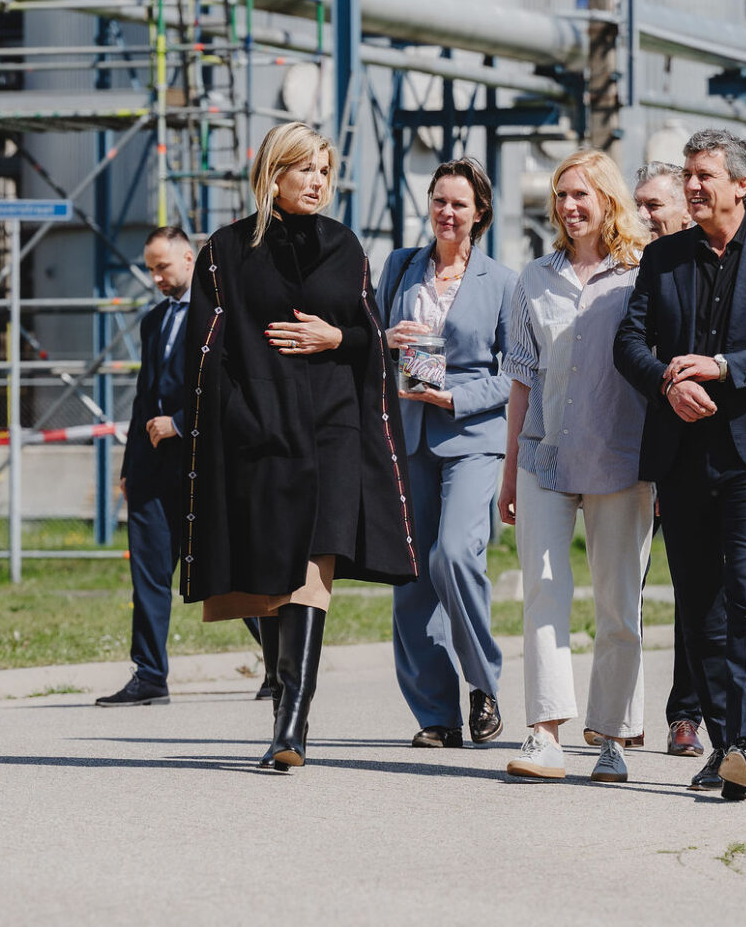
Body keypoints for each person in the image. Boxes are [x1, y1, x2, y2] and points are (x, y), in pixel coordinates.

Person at [179, 121, 417, 770]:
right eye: (305, 168)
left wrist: (337, 338)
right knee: (272, 576)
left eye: (325, 170)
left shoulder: (344, 245)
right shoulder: (225, 251)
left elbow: (371, 335)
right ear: (273, 172)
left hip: (334, 429)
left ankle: (292, 725)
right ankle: (283, 697)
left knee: (313, 569)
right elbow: (205, 349)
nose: (317, 181)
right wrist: (235, 416)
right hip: (260, 431)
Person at [614, 128, 746, 802]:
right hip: (682, 456)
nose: (693, 186)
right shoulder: (664, 258)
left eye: (704, 175)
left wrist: (726, 367)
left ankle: (744, 743)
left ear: (742, 183)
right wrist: (667, 383)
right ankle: (722, 742)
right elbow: (629, 342)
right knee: (698, 600)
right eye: (688, 175)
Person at [499, 149, 654, 784]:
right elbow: (521, 380)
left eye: (580, 194)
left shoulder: (641, 274)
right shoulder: (534, 279)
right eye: (561, 195)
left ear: (608, 199)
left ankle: (612, 736)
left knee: (618, 601)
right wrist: (509, 469)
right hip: (545, 454)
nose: (568, 206)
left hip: (622, 457)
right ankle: (544, 735)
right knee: (543, 591)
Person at [378, 160, 517, 749]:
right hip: (409, 435)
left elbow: (516, 373)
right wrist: (385, 340)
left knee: (455, 554)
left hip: (472, 437)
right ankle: (436, 715)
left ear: (479, 212)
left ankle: (483, 681)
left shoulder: (502, 281)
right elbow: (368, 337)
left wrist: (456, 396)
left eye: (459, 203)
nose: (447, 212)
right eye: (439, 200)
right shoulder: (400, 267)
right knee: (412, 576)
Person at [98, 226, 197, 707]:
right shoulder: (155, 320)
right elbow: (144, 397)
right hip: (151, 469)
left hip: (199, 465)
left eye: (163, 267)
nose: (156, 277)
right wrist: (129, 465)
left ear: (189, 258)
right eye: (151, 269)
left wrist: (179, 424)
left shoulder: (217, 316)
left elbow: (228, 388)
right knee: (149, 574)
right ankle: (151, 674)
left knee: (222, 573)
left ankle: (276, 666)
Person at [630, 161, 706, 761]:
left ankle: (686, 713)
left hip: (678, 443)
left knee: (692, 586)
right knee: (623, 584)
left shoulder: (695, 269)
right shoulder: (623, 264)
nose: (643, 216)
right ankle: (620, 710)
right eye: (637, 204)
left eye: (653, 205)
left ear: (685, 207)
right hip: (620, 447)